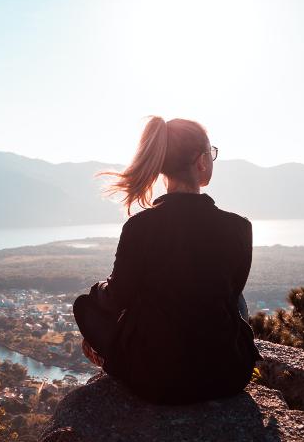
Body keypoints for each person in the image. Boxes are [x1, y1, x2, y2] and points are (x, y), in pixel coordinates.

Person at [73, 116, 260, 405]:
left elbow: (116, 298)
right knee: (236, 299)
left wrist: (98, 289)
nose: (211, 159)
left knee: (84, 306)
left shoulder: (140, 227)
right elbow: (232, 293)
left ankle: (113, 360)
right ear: (200, 162)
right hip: (228, 374)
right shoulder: (239, 227)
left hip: (155, 379)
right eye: (211, 153)